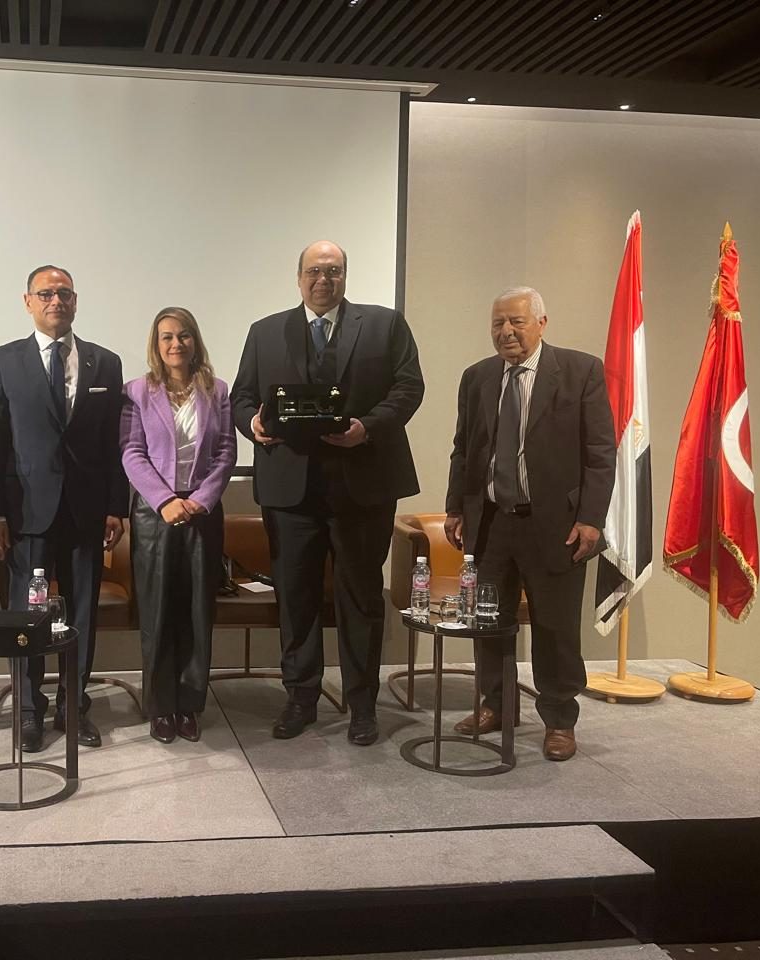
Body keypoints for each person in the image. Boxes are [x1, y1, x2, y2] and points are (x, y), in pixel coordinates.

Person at [231, 241, 424, 745]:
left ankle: (362, 705)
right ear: (299, 278)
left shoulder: (385, 325)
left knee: (360, 599)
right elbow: (241, 397)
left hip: (363, 486)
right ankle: (300, 698)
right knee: (296, 598)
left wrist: (368, 428)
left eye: (333, 271)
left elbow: (409, 388)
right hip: (290, 490)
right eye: (314, 271)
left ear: (345, 276)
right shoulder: (265, 331)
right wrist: (252, 424)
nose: (324, 280)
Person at [444, 286, 616, 761]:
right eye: (498, 323)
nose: (506, 332)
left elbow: (601, 452)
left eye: (516, 322)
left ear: (541, 323)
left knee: (556, 627)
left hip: (557, 525)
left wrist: (591, 519)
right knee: (488, 622)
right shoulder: (477, 377)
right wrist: (456, 507)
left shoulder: (581, 371)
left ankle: (559, 719)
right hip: (491, 522)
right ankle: (496, 705)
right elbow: (464, 448)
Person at [0, 265, 128, 752]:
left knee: (81, 612)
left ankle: (73, 704)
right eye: (45, 294)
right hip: (27, 513)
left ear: (76, 301)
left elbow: (113, 442)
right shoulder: (2, 361)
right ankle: (29, 709)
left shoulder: (105, 362)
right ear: (28, 302)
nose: (55, 301)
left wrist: (116, 506)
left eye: (64, 293)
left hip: (86, 511)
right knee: (29, 614)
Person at [120, 307, 237, 743]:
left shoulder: (217, 390)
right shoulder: (136, 391)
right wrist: (166, 500)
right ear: (156, 344)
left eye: (184, 335)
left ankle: (189, 705)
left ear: (195, 341)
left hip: (203, 512)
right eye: (167, 336)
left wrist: (201, 500)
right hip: (155, 514)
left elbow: (226, 451)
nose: (176, 344)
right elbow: (131, 452)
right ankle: (160, 707)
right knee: (157, 612)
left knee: (196, 612)